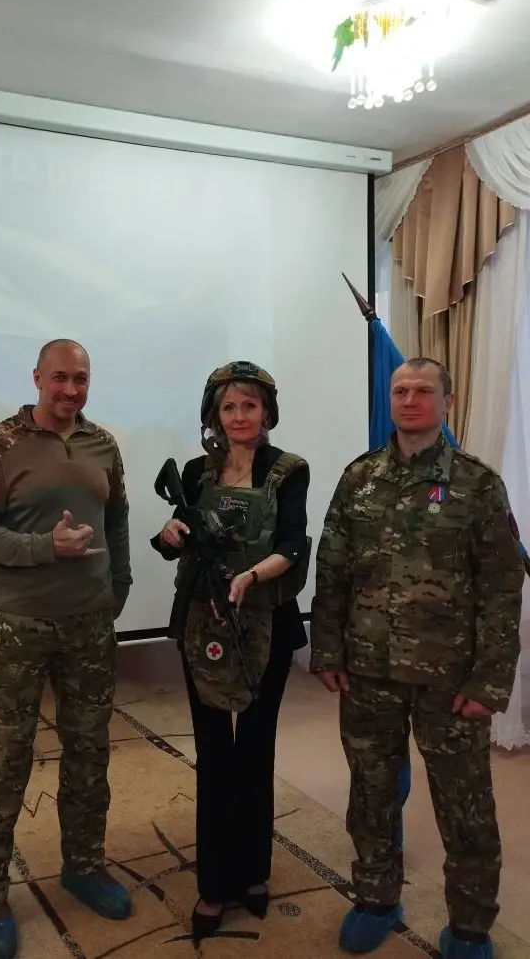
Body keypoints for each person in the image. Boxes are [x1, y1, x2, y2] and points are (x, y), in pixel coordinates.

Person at [309, 357, 525, 959]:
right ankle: (377, 899)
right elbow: (332, 571)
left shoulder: (477, 484)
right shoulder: (360, 478)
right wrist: (327, 649)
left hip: (449, 680)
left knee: (465, 806)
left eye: (423, 391)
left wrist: (489, 680)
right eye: (400, 390)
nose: (409, 400)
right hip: (368, 672)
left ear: (446, 402)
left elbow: (502, 588)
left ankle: (470, 927)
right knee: (371, 793)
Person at [0, 339, 133, 959]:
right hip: (19, 627)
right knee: (4, 759)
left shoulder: (102, 444)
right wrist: (44, 549)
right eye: (60, 377)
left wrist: (118, 587)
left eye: (80, 379)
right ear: (37, 377)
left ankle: (83, 866)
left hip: (89, 627)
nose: (70, 390)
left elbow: (116, 520)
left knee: (89, 753)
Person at [151, 360, 311, 941]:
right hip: (206, 625)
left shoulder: (288, 470)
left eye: (250, 405)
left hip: (267, 621)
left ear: (267, 411)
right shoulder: (197, 472)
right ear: (214, 415)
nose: (240, 416)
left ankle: (254, 872)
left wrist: (251, 576)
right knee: (215, 753)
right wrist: (169, 534)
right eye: (229, 407)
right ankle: (216, 883)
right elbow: (174, 540)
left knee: (256, 749)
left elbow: (293, 543)